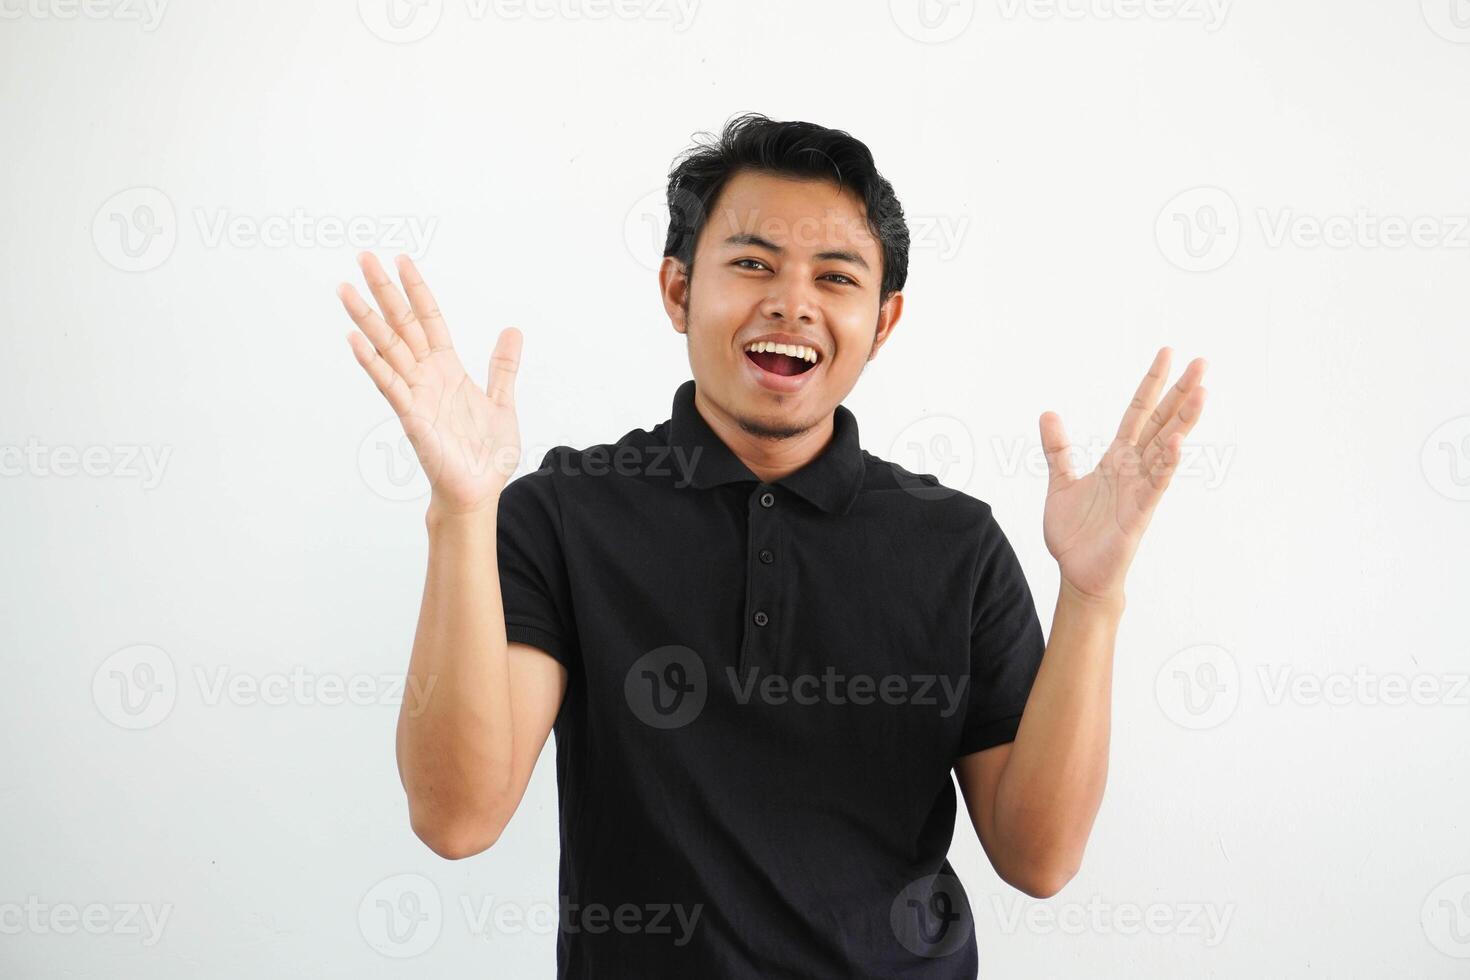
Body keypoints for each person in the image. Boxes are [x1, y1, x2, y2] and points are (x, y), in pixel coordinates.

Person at [336, 113, 1208, 979]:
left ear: (884, 319)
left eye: (836, 276)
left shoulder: (956, 544)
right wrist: (460, 510)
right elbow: (458, 819)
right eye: (752, 263)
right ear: (678, 289)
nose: (793, 302)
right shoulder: (562, 516)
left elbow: (1039, 859)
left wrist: (1093, 599)